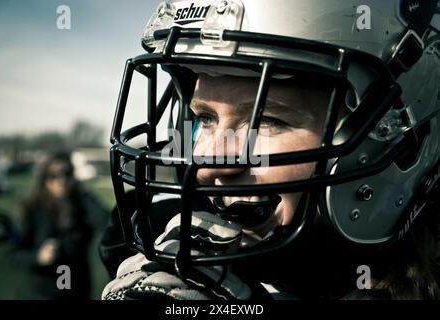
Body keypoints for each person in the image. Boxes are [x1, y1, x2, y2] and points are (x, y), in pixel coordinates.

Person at [100, 0, 440, 300]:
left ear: (395, 138)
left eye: (265, 122)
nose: (207, 164)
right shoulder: (160, 239)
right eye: (204, 118)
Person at [12, 151, 104, 300]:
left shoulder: (82, 205)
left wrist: (84, 192)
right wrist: (37, 256)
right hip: (44, 292)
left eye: (67, 174)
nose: (61, 180)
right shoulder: (32, 209)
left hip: (78, 291)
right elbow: (15, 252)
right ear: (44, 179)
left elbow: (107, 223)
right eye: (53, 175)